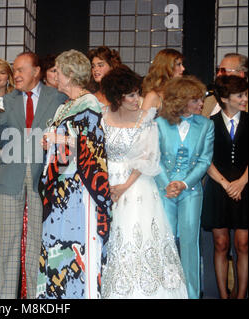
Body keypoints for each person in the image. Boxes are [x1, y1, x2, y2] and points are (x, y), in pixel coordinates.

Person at [99, 66, 187, 299]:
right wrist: (106, 186)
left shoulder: (146, 118)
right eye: (131, 95)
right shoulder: (102, 116)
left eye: (138, 93)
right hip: (107, 184)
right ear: (117, 96)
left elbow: (148, 158)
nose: (137, 99)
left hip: (137, 185)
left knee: (136, 234)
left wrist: (124, 186)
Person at [0, 51, 66, 299]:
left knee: (36, 245)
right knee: (8, 244)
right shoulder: (6, 100)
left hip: (43, 180)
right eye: (15, 69)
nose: (16, 74)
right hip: (10, 178)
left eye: (21, 70)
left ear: (36, 72)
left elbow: (66, 139)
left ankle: (35, 298)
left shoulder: (58, 98)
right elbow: (0, 142)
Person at [37, 49, 111, 299]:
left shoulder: (89, 103)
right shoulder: (65, 105)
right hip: (60, 191)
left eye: (57, 71)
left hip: (78, 191)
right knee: (58, 245)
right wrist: (53, 144)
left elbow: (94, 145)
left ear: (69, 74)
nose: (54, 75)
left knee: (76, 247)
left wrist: (59, 138)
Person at [154, 76, 214, 299]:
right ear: (181, 101)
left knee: (190, 242)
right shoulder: (159, 124)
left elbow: (205, 161)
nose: (201, 104)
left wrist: (184, 183)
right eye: (196, 100)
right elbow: (154, 156)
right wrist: (167, 183)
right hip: (164, 190)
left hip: (191, 191)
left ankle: (191, 294)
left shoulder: (207, 125)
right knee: (165, 241)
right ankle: (164, 292)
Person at [202, 75, 248, 299]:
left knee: (243, 244)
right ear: (225, 98)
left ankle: (240, 295)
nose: (245, 99)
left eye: (245, 94)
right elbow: (204, 159)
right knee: (220, 243)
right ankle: (222, 294)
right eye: (240, 95)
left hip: (245, 187)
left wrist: (240, 183)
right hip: (218, 188)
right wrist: (225, 183)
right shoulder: (208, 124)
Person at [202, 53, 248, 118]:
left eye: (223, 70)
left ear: (241, 74)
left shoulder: (245, 100)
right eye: (218, 70)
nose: (218, 74)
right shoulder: (210, 99)